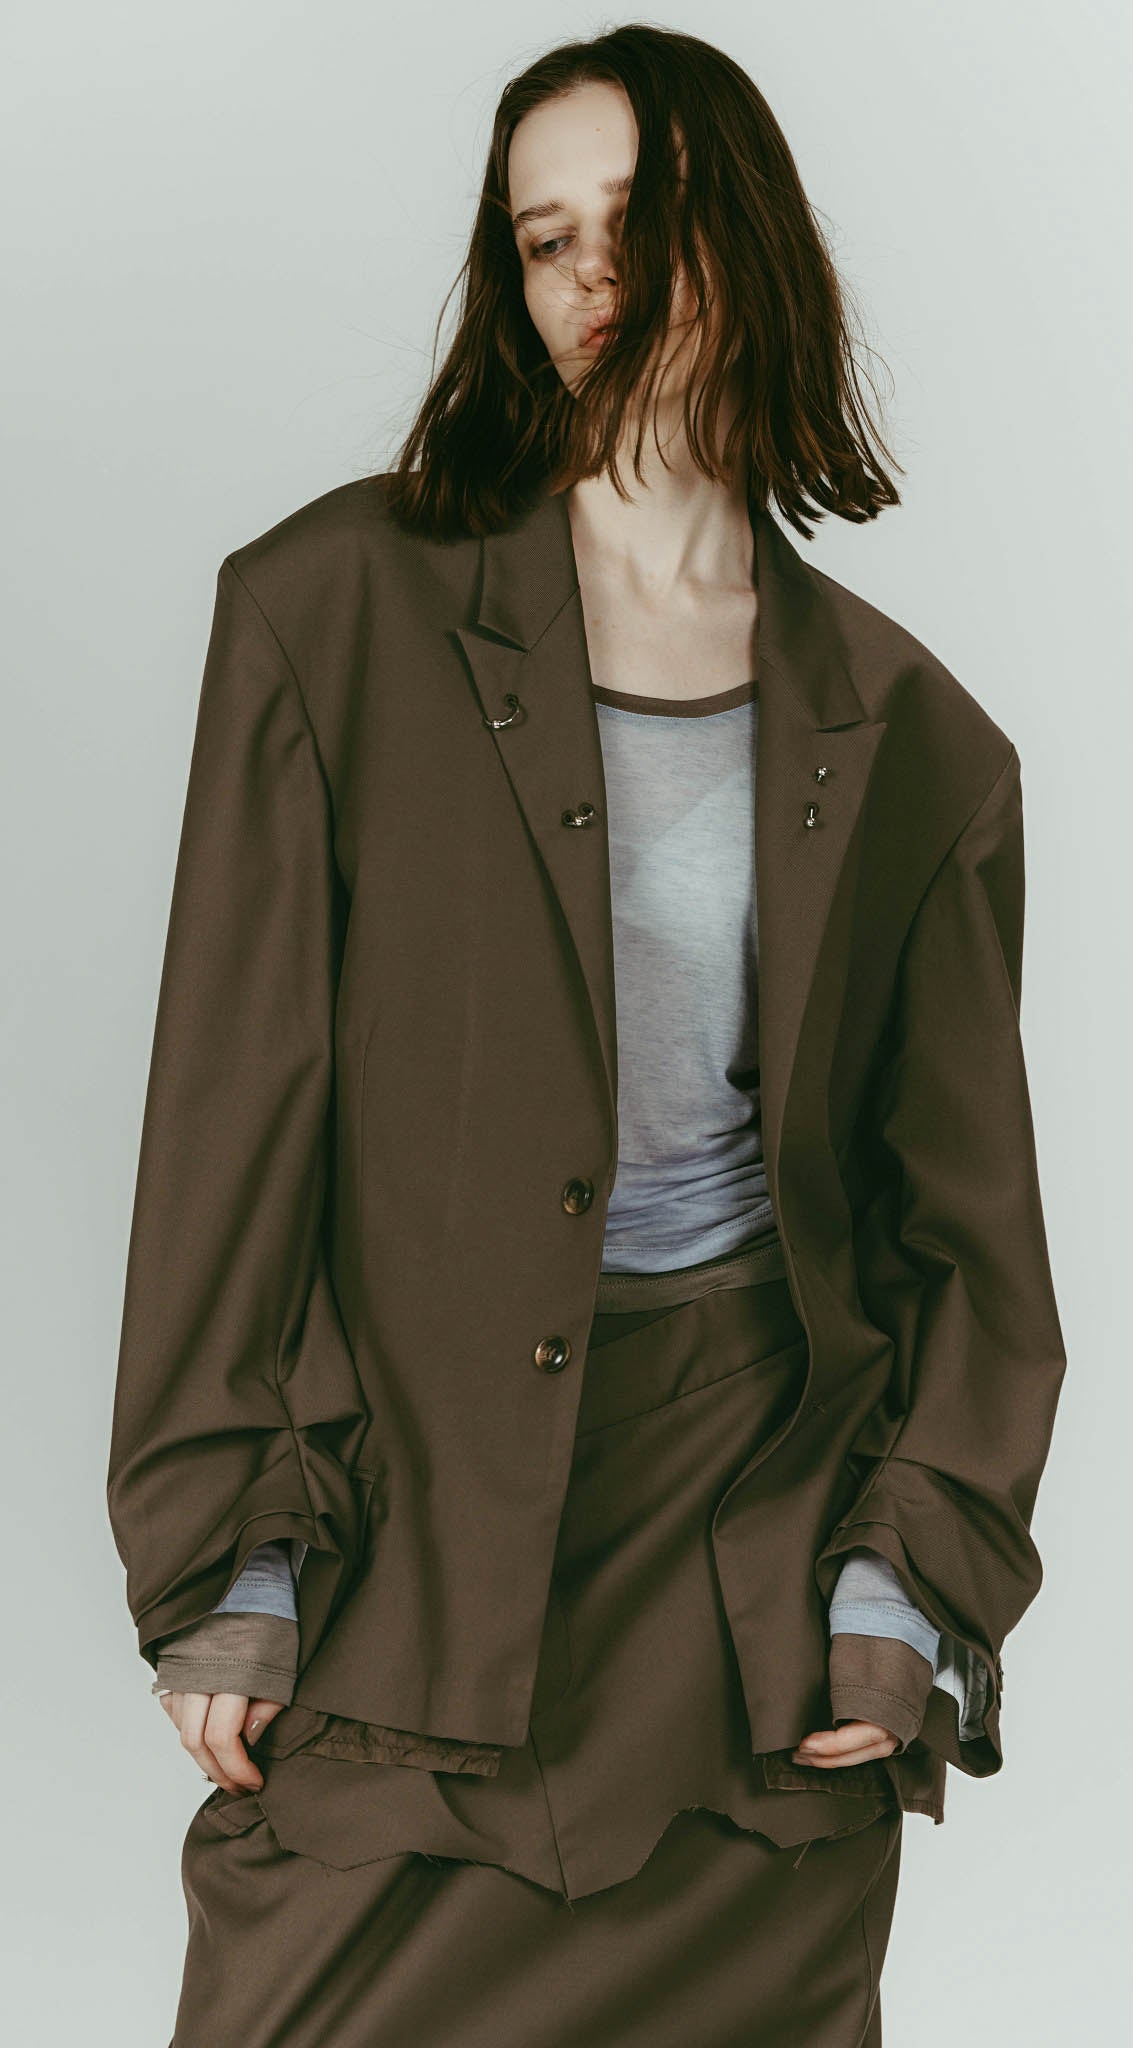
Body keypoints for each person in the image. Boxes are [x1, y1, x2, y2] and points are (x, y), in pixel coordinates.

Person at [107, 24, 1068, 2047]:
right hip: (416, 1522)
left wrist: (899, 1586)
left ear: (750, 239)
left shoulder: (917, 744)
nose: (589, 280)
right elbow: (229, 1114)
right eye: (545, 241)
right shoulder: (331, 614)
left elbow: (968, 1247)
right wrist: (224, 1552)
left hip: (741, 1570)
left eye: (635, 221)